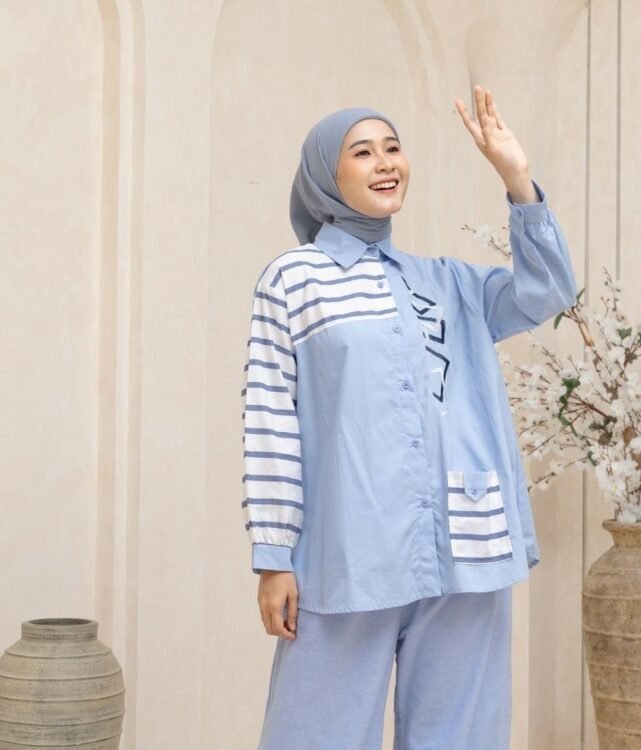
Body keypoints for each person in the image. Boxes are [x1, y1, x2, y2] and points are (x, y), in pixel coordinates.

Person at [241, 84, 578, 750]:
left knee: (461, 736)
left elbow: (549, 292)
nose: (385, 163)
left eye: (392, 148)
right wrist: (273, 558)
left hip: (468, 545)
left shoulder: (449, 283)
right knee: (317, 734)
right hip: (349, 549)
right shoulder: (293, 280)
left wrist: (517, 181)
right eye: (362, 152)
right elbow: (270, 423)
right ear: (326, 174)